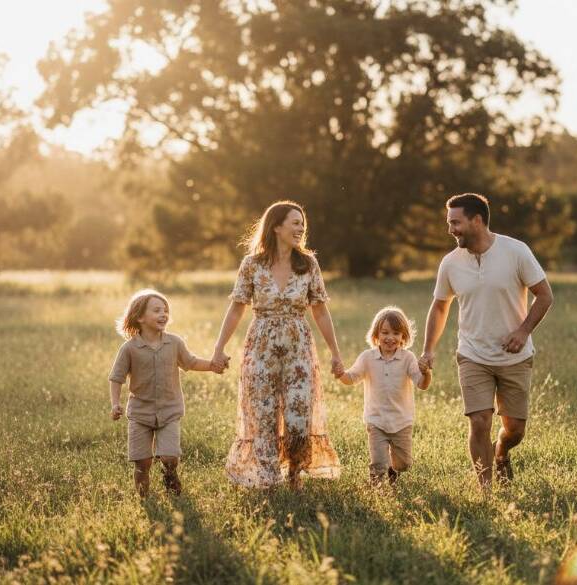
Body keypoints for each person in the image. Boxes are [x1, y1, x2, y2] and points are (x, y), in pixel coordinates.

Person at [420, 193, 554, 487]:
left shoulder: (515, 251)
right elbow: (440, 306)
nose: (450, 229)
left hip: (514, 357)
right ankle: (486, 491)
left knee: (515, 429)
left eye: (455, 222)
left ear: (477, 220)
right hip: (472, 354)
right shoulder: (451, 263)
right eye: (449, 223)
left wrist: (523, 331)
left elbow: (545, 295)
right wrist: (428, 349)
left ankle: (502, 451)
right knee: (479, 421)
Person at [211, 201, 343, 489]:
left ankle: (295, 474)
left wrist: (335, 353)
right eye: (294, 222)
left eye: (302, 223)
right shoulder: (252, 265)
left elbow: (319, 309)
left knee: (298, 415)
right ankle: (268, 478)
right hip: (261, 346)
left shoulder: (308, 264)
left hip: (298, 347)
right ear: (276, 226)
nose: (301, 228)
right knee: (264, 414)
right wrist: (219, 348)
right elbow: (237, 308)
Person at [108, 289, 225, 498]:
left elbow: (191, 362)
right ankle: (144, 498)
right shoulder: (129, 349)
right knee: (142, 462)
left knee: (170, 457)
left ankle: (170, 476)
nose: (163, 314)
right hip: (140, 413)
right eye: (157, 310)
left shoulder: (174, 343)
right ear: (140, 317)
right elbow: (116, 377)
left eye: (165, 310)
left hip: (169, 411)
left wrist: (213, 365)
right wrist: (115, 404)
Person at [336, 306, 431, 485]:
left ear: (403, 337)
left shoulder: (408, 358)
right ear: (376, 336)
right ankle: (377, 488)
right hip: (376, 420)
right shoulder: (367, 358)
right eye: (385, 332)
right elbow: (352, 378)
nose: (390, 338)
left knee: (403, 464)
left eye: (396, 333)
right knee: (378, 462)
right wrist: (341, 374)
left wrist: (427, 373)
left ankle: (393, 471)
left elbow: (422, 384)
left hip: (401, 421)